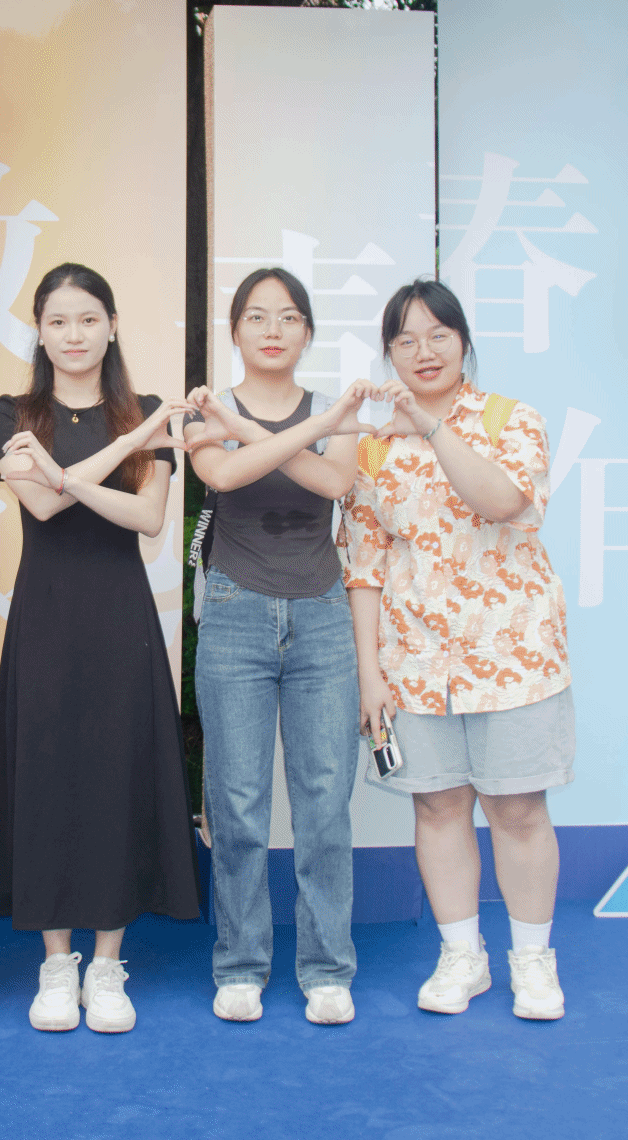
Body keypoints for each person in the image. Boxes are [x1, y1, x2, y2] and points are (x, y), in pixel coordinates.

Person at [341, 277, 574, 1022]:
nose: (424, 351)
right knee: (438, 809)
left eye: (438, 334)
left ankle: (532, 960)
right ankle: (461, 955)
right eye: (405, 340)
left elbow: (502, 501)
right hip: (414, 665)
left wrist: (433, 428)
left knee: (518, 811)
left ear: (464, 341)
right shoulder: (372, 449)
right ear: (389, 353)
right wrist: (370, 673)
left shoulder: (510, 420)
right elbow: (365, 566)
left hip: (514, 661)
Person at [0, 262, 200, 1034]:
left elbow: (147, 519)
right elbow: (39, 506)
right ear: (39, 333)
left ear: (111, 326)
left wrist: (79, 469)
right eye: (57, 321)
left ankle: (107, 962)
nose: (73, 334)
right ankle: (56, 962)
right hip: (44, 615)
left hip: (120, 616)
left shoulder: (142, 410)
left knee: (115, 777)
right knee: (46, 775)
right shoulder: (13, 412)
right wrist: (130, 446)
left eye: (87, 319)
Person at [183, 268, 372, 1026]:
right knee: (236, 802)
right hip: (234, 612)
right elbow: (225, 471)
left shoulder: (329, 411)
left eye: (289, 316)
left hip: (322, 614)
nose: (273, 329)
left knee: (325, 802)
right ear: (235, 331)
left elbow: (333, 483)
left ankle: (327, 969)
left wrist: (247, 428)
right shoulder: (206, 411)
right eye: (257, 316)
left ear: (307, 332)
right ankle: (240, 965)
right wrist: (238, 428)